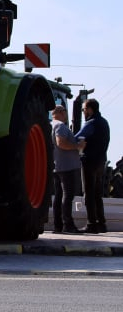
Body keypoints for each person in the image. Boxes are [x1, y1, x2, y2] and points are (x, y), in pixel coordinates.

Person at [74, 98, 111, 233]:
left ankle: (91, 224)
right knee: (97, 194)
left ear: (90, 109)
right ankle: (102, 223)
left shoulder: (90, 123)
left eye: (84, 109)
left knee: (88, 193)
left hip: (89, 161)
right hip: (101, 161)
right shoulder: (104, 123)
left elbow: (77, 137)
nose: (83, 112)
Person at [50, 106, 82, 234]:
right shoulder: (61, 126)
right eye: (65, 112)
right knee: (67, 196)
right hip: (66, 166)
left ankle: (58, 225)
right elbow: (61, 142)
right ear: (61, 113)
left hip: (56, 165)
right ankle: (67, 224)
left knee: (58, 196)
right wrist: (77, 146)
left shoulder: (50, 125)